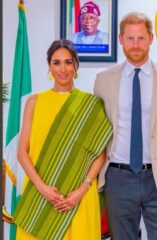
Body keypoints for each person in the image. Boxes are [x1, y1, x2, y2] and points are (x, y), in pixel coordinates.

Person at [93, 12, 157, 240]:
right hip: (118, 177)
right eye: (130, 38)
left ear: (151, 38)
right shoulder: (103, 80)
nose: (136, 44)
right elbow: (95, 133)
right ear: (121, 39)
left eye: (141, 38)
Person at [13, 39, 112, 240]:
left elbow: (100, 156)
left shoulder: (91, 105)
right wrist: (44, 190)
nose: (63, 68)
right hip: (41, 195)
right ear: (49, 66)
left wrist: (81, 190)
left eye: (68, 62)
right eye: (56, 62)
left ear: (76, 65)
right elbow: (22, 153)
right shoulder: (35, 102)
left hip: (79, 198)